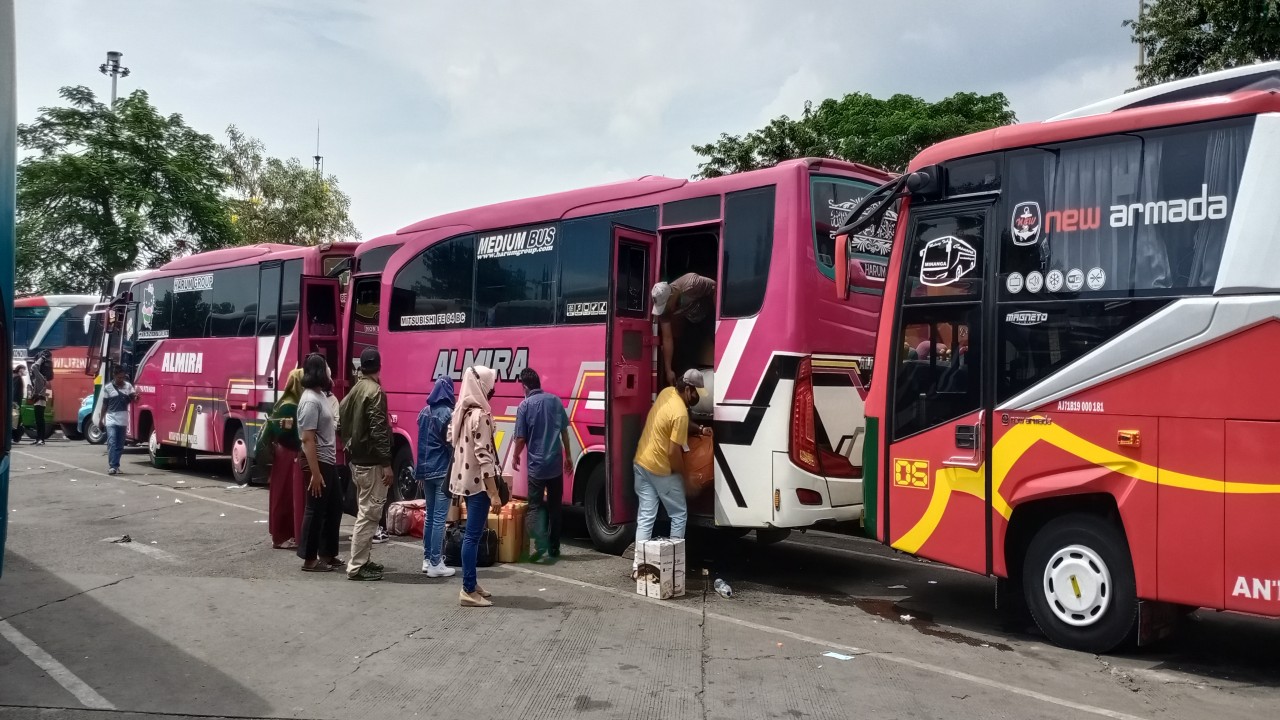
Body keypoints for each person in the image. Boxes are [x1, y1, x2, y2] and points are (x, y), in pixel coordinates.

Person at [632, 369, 709, 574]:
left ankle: (639, 566)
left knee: (646, 516)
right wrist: (685, 479)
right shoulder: (680, 413)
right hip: (660, 469)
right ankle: (673, 567)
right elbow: (673, 451)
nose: (698, 397)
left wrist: (700, 429)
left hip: (641, 463)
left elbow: (675, 424)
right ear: (689, 389)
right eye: (696, 393)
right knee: (679, 514)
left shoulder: (667, 393)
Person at [449, 366, 506, 607]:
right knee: (472, 536)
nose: (493, 389)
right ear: (482, 386)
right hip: (479, 485)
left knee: (472, 534)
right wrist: (493, 493)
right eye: (490, 384)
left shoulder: (463, 411)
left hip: (464, 482)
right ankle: (468, 590)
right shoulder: (480, 415)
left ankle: (472, 581)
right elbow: (485, 457)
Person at [339, 347, 393, 582]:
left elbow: (339, 424)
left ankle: (362, 559)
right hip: (372, 464)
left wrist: (350, 444)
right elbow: (379, 431)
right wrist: (387, 463)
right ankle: (357, 565)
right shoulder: (375, 392)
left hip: (357, 461)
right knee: (369, 515)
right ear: (379, 366)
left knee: (365, 511)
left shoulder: (352, 392)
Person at [510, 368, 571, 562]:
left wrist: (515, 456)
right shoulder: (554, 401)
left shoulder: (525, 406)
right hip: (554, 465)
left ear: (525, 386)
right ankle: (554, 548)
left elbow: (520, 438)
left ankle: (540, 542)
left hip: (536, 468)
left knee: (534, 507)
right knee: (555, 508)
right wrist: (568, 456)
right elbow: (564, 432)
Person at [296, 354, 344, 573]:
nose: (329, 372)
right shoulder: (309, 400)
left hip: (327, 460)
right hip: (317, 461)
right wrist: (315, 473)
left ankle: (327, 553)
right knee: (315, 509)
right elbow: (307, 439)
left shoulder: (320, 395)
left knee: (334, 507)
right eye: (326, 368)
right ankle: (309, 558)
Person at [257, 368, 305, 550]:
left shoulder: (286, 401)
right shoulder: (290, 405)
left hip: (283, 453)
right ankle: (281, 536)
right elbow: (285, 434)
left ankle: (283, 533)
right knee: (284, 496)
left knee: (283, 494)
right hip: (287, 454)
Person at [416, 375, 456, 577]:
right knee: (440, 517)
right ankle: (435, 563)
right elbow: (452, 443)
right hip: (441, 470)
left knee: (430, 516)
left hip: (424, 470)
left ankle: (427, 559)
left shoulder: (424, 412)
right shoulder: (448, 414)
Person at [651, 273, 716, 387]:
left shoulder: (691, 283)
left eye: (665, 306)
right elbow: (667, 338)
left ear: (672, 295)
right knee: (685, 354)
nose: (663, 310)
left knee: (718, 340)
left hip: (710, 315)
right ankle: (690, 391)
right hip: (691, 321)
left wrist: (719, 321)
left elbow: (716, 288)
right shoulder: (663, 311)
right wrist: (668, 370)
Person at [100, 366, 135, 475]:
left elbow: (133, 397)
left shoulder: (128, 386)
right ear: (114, 376)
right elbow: (104, 405)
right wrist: (101, 419)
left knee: (120, 445)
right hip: (111, 419)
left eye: (123, 377)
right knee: (112, 442)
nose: (121, 380)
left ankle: (116, 465)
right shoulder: (108, 388)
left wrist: (135, 397)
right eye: (119, 377)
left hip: (123, 419)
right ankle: (112, 466)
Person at [27, 356, 49, 446]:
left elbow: (34, 367)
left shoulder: (40, 377)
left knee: (40, 421)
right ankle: (38, 438)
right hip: (37, 401)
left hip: (40, 401)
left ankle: (41, 439)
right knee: (38, 421)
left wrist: (41, 358)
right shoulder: (38, 378)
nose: (30, 370)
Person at [11, 365, 26, 443]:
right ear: (20, 370)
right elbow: (16, 391)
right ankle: (16, 437)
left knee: (15, 419)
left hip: (15, 401)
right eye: (24, 370)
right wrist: (15, 402)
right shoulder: (18, 378)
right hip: (16, 402)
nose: (24, 372)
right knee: (16, 419)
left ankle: (15, 437)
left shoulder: (15, 377)